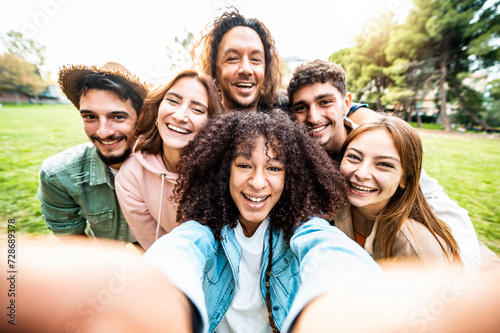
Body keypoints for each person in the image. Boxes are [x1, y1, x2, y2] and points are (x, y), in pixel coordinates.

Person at [142, 109, 380, 332]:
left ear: (291, 176)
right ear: (224, 171)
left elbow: (330, 251)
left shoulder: (304, 230)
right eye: (244, 165)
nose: (257, 182)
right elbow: (177, 253)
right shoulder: (203, 231)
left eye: (274, 168)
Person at [287, 59, 483, 275]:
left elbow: (433, 200)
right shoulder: (297, 152)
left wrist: (461, 271)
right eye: (301, 108)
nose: (313, 117)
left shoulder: (383, 143)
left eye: (325, 102)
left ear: (346, 104)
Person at [38, 62, 147, 241]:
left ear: (141, 117)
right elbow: (73, 242)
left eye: (117, 117)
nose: (103, 132)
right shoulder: (58, 176)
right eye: (90, 117)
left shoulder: (171, 169)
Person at [115, 69, 223, 250]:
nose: (179, 116)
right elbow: (157, 248)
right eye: (173, 101)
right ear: (158, 107)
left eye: (197, 109)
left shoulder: (226, 169)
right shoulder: (131, 176)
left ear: (212, 123)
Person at [335, 116, 462, 267]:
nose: (361, 174)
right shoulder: (329, 207)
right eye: (354, 157)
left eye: (384, 164)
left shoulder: (417, 248)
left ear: (405, 178)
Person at [192, 9, 283, 111]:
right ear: (215, 71)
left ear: (266, 71)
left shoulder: (288, 122)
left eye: (255, 59)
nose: (246, 70)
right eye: (233, 58)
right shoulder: (195, 124)